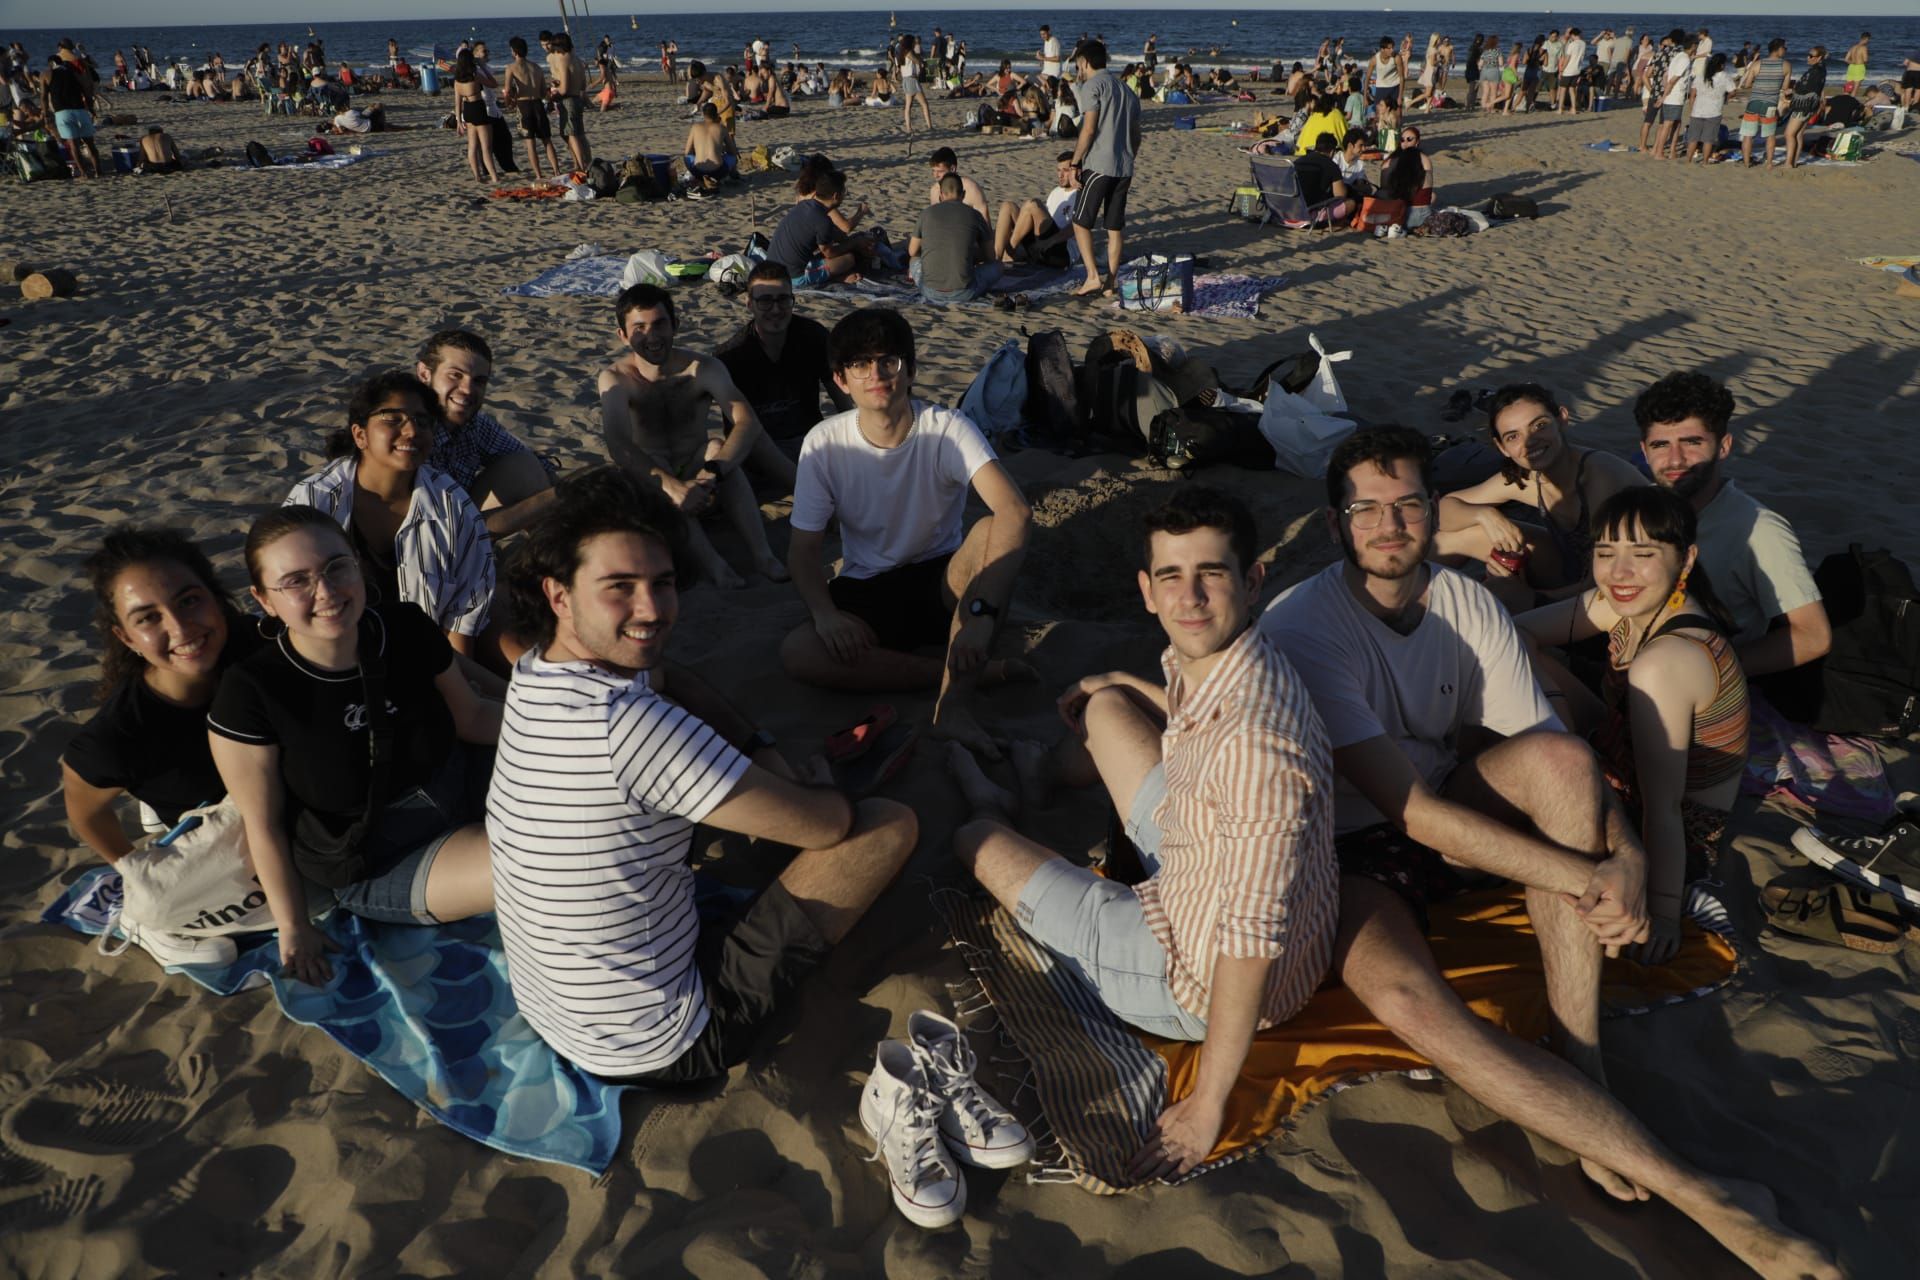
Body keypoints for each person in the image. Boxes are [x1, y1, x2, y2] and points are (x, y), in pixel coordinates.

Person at [1261, 427, 1840, 1279]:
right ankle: (1700, 1195)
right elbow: (1410, 813)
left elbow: (1545, 747)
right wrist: (1594, 873)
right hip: (1342, 849)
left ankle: (1583, 1055)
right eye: (1367, 510)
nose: (1390, 526)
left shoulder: (1467, 603)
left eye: (1409, 505)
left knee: (1565, 760)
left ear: (1435, 512)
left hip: (1455, 808)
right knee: (1411, 1003)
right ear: (1336, 522)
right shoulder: (1306, 626)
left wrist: (1632, 853)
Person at [485, 464, 917, 1094]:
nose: (651, 609)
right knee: (885, 825)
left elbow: (664, 676)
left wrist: (757, 747)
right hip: (670, 1037)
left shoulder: (533, 673)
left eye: (662, 583)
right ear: (558, 594)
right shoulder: (630, 727)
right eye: (620, 587)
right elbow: (828, 827)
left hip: (560, 1010)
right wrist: (805, 786)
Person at [947, 486, 1338, 1177]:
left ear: (1251, 580)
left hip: (1184, 972)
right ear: (1147, 590)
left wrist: (1207, 1103)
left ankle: (996, 804)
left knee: (975, 843)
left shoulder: (1257, 750)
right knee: (1105, 707)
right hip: (1193, 849)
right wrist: (1121, 681)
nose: (1189, 597)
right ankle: (1043, 774)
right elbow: (1195, 727)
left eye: (1211, 574)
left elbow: (1246, 945)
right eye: (1171, 577)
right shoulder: (1234, 660)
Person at [209, 507, 500, 987]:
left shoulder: (403, 626)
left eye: (335, 567)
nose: (325, 591)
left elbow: (471, 717)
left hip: (460, 782)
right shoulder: (252, 692)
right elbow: (263, 827)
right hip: (380, 858)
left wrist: (579, 728)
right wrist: (294, 927)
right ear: (264, 600)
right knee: (535, 865)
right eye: (296, 581)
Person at [780, 308, 1033, 755]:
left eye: (887, 361)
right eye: (859, 364)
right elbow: (803, 552)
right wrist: (825, 614)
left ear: (910, 370)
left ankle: (954, 705)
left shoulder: (947, 428)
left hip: (945, 581)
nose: (875, 374)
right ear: (840, 380)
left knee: (991, 529)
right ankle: (968, 671)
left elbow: (1015, 511)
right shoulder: (823, 443)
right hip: (868, 586)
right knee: (798, 652)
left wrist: (981, 613)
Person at [1516, 487, 1749, 966]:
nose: (1619, 572)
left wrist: (1663, 911)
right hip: (1626, 750)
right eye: (1606, 552)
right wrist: (1558, 711)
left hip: (1678, 835)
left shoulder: (1666, 661)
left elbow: (1663, 809)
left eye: (1643, 554)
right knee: (1520, 658)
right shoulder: (1629, 605)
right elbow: (1514, 632)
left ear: (1685, 560)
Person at [62, 529, 259, 862]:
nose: (180, 628)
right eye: (148, 618)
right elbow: (86, 813)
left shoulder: (260, 648)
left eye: (189, 601)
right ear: (127, 638)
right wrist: (137, 869)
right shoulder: (119, 735)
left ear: (215, 597)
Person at [284, 370, 497, 657]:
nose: (411, 431)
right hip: (332, 656)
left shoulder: (453, 506)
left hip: (426, 658)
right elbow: (292, 599)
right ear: (360, 435)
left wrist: (452, 686)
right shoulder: (315, 501)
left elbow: (463, 619)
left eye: (422, 421)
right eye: (393, 419)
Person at [1634, 372, 1829, 679]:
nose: (1675, 459)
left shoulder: (1759, 529)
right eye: (1661, 444)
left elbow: (1813, 635)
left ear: (1723, 446)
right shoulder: (1637, 510)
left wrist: (1710, 671)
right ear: (1644, 452)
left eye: (1692, 442)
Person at [597, 284, 785, 589]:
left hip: (699, 468)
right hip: (655, 478)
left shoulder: (703, 368)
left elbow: (746, 421)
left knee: (717, 449)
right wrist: (674, 487)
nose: (652, 336)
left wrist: (712, 474)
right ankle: (716, 567)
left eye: (660, 324)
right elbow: (619, 444)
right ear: (623, 335)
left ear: (675, 325)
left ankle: (763, 555)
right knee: (653, 466)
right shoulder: (616, 379)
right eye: (640, 328)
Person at [1434, 384, 1643, 607]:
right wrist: (1484, 515)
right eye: (1513, 436)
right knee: (1461, 534)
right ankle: (1400, 590)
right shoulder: (1527, 477)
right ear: (1502, 447)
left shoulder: (1601, 479)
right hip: (1570, 566)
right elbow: (1446, 512)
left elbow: (1606, 583)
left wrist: (1531, 598)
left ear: (1562, 418)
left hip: (1618, 589)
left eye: (1539, 425)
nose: (1529, 441)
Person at [716, 261, 851, 488]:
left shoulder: (813, 337)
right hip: (759, 452)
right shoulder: (731, 356)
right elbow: (739, 430)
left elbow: (842, 399)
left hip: (809, 444)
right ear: (749, 304)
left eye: (783, 299)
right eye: (765, 301)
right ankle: (806, 490)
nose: (776, 309)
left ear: (792, 300)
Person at [414, 329, 557, 538]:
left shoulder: (473, 424)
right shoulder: (409, 432)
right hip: (418, 543)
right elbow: (438, 526)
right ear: (425, 374)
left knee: (524, 466)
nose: (467, 389)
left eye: (479, 381)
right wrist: (554, 497)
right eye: (455, 375)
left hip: (460, 521)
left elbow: (533, 465)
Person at [1065, 40, 1141, 299]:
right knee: (1114, 227)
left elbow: (1088, 129)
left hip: (1099, 163)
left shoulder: (1092, 86)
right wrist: (1129, 155)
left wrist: (1075, 162)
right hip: (1124, 166)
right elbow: (1136, 135)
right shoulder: (1127, 91)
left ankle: (1092, 277)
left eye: (1078, 63)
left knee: (1079, 221)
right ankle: (1110, 282)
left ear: (1084, 62)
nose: (1078, 68)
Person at [767, 168, 872, 284]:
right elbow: (830, 253)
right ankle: (836, 279)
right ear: (836, 196)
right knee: (848, 260)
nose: (844, 196)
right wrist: (855, 243)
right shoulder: (822, 220)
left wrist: (853, 241)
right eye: (844, 192)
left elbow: (835, 235)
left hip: (772, 268)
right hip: (792, 278)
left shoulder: (805, 206)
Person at [910, 173, 999, 304]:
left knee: (914, 259)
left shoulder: (926, 213)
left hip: (929, 290)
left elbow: (912, 251)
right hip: (965, 292)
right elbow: (991, 256)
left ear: (941, 195)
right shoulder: (975, 215)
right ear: (963, 194)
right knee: (998, 266)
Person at [992, 152, 1079, 267]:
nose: (1060, 175)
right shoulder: (1056, 191)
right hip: (1042, 243)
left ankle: (1009, 254)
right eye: (1058, 170)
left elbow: (1076, 227)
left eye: (1065, 170)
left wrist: (1050, 242)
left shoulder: (1081, 194)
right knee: (1008, 206)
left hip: (1062, 250)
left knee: (1032, 205)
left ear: (1076, 171)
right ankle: (997, 258)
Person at [504, 36, 560, 180]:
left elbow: (508, 91)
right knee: (547, 140)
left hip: (524, 105)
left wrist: (509, 101)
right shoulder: (536, 67)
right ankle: (556, 171)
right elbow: (543, 92)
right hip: (538, 104)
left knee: (530, 143)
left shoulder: (511, 67)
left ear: (514, 51)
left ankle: (538, 174)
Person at [42, 53, 99, 179]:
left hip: (62, 112)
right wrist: (90, 107)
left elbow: (44, 97)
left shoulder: (46, 73)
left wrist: (45, 113)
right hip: (80, 110)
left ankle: (84, 173)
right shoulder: (72, 72)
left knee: (74, 145)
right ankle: (98, 172)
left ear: (51, 64)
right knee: (90, 143)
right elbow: (85, 89)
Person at [1736, 39, 1790, 169]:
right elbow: (1785, 87)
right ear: (1779, 49)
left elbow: (1747, 84)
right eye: (1785, 48)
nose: (1786, 51)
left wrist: (1759, 84)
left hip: (1754, 102)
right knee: (1770, 135)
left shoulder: (1757, 64)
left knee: (1748, 135)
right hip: (1770, 104)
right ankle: (1769, 163)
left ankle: (1746, 162)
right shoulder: (1786, 65)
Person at [452, 50, 501, 185]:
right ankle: (494, 177)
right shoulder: (475, 75)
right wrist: (483, 66)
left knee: (472, 146)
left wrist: (458, 122)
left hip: (467, 110)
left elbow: (457, 103)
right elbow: (493, 83)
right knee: (485, 147)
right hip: (478, 107)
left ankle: (477, 176)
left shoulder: (457, 81)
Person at [1681, 54, 1736, 164]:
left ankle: (1688, 160)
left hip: (1697, 111)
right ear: (1721, 65)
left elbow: (1692, 95)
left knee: (1693, 139)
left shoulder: (1701, 75)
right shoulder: (1724, 76)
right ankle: (1705, 161)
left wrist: (1692, 109)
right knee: (1708, 139)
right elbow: (1733, 91)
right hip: (1714, 112)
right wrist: (1725, 98)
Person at [547, 32, 590, 171]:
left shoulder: (563, 60)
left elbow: (564, 89)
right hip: (578, 98)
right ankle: (586, 163)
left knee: (571, 134)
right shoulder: (576, 60)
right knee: (578, 133)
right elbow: (583, 84)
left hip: (568, 100)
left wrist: (554, 90)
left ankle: (581, 166)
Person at [1783, 47, 1827, 170]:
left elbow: (1806, 88)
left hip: (1803, 106)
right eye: (1808, 55)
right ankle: (1794, 161)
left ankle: (1788, 163)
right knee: (1798, 134)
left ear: (1819, 58)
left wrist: (1792, 90)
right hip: (1810, 106)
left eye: (1811, 56)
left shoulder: (1815, 72)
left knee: (1789, 134)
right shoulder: (1821, 70)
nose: (1808, 58)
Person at [1293, 133, 1353, 221]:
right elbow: (1340, 195)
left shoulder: (1299, 161)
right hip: (1307, 216)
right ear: (1332, 151)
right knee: (1350, 203)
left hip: (1287, 211)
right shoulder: (1331, 165)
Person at [926, 146, 989, 221]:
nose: (935, 175)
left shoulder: (971, 189)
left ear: (952, 169)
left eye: (940, 171)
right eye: (933, 171)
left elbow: (985, 223)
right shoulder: (934, 190)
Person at [683, 103, 737, 187]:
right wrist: (721, 149)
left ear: (703, 114)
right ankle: (732, 175)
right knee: (732, 157)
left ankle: (699, 178)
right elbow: (733, 151)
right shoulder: (722, 128)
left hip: (698, 172)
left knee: (687, 157)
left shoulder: (695, 127)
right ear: (716, 114)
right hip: (718, 172)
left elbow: (687, 152)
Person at [897, 33, 932, 138]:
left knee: (908, 105)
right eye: (913, 42)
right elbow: (918, 61)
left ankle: (908, 127)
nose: (914, 43)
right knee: (924, 104)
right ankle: (929, 126)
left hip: (906, 80)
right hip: (912, 80)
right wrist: (921, 61)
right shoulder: (909, 53)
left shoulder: (902, 52)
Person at [1364, 37, 1404, 113]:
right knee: (1378, 112)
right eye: (1389, 48)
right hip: (1381, 87)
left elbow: (1402, 77)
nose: (1392, 50)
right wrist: (1365, 98)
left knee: (1395, 114)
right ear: (1382, 49)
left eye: (1392, 47)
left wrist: (1400, 96)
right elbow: (1367, 78)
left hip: (1395, 86)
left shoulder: (1397, 58)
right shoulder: (1374, 59)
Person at [1557, 27, 1587, 112]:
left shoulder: (1572, 44)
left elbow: (1567, 58)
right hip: (1577, 70)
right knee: (1572, 90)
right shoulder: (1583, 43)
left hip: (1568, 70)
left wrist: (1562, 69)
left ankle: (1560, 109)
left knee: (1563, 90)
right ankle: (1573, 108)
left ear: (1573, 35)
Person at [1037, 25, 1063, 95]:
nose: (1042, 36)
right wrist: (1041, 58)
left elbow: (1057, 58)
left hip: (1054, 72)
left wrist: (1043, 58)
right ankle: (1046, 98)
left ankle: (1048, 93)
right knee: (1039, 84)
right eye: (1041, 35)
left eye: (1044, 34)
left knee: (1038, 78)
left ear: (1049, 32)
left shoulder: (1054, 41)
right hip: (1047, 70)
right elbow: (1047, 55)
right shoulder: (1046, 41)